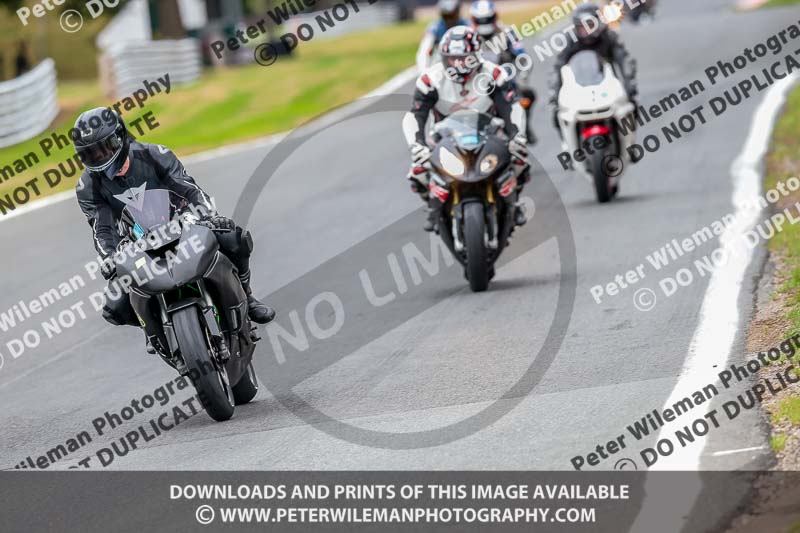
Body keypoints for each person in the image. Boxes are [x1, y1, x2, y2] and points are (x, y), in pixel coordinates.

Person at [74, 108, 275, 353]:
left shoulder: (154, 154)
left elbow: (188, 188)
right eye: (90, 154)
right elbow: (101, 227)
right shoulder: (88, 186)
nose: (99, 158)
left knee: (234, 238)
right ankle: (151, 327)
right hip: (135, 242)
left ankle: (248, 296)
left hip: (180, 222)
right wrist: (108, 258)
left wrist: (208, 216)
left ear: (120, 137)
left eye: (103, 148)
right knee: (114, 305)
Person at [402, 26, 529, 232]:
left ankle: (514, 204)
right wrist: (417, 145)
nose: (459, 65)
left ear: (476, 55)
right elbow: (415, 115)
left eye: (464, 58)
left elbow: (511, 107)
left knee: (521, 159)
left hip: (489, 133)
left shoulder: (494, 74)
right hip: (443, 136)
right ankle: (432, 208)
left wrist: (517, 136)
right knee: (418, 171)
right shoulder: (430, 79)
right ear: (444, 58)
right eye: (453, 59)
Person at [548, 3, 637, 134]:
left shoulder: (609, 37)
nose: (586, 31)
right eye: (582, 27)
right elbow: (557, 68)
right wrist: (555, 97)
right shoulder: (570, 41)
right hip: (579, 89)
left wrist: (630, 87)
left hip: (608, 87)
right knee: (558, 114)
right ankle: (569, 145)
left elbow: (624, 61)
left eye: (589, 25)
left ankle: (629, 144)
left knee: (631, 105)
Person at [469, 0, 536, 142]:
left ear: (494, 17)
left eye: (487, 19)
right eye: (480, 20)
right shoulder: (468, 37)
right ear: (473, 20)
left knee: (528, 96)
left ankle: (523, 129)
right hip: (477, 86)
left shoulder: (507, 33)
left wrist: (523, 76)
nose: (484, 23)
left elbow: (523, 57)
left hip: (506, 84)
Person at [415, 0, 468, 72]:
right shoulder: (434, 28)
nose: (449, 20)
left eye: (452, 16)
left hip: (466, 63)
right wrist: (424, 71)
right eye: (446, 16)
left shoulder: (467, 26)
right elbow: (424, 51)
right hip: (441, 65)